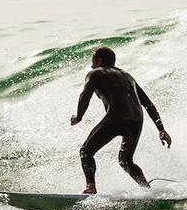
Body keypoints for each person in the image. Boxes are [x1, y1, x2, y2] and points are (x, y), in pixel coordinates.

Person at [70, 47, 171, 194]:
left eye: (93, 61)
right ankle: (148, 191)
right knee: (126, 161)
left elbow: (85, 95)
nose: (91, 65)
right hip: (136, 118)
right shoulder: (128, 76)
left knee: (86, 151)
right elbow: (148, 104)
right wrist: (161, 129)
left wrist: (78, 116)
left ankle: (90, 187)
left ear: (99, 60)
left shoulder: (95, 73)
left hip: (117, 115)